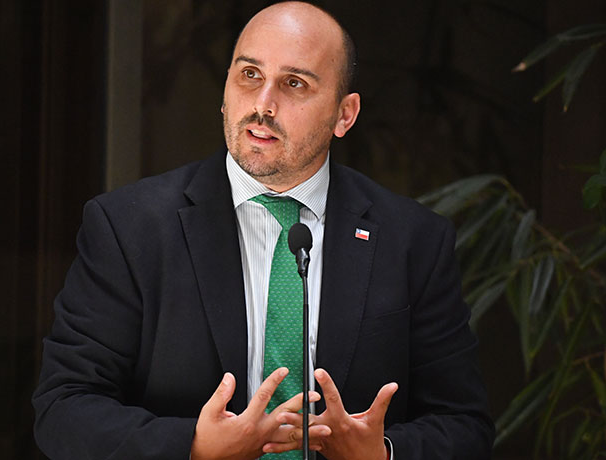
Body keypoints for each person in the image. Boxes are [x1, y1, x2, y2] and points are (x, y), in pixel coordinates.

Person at [32, 2, 494, 459]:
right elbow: (64, 408)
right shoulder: (129, 227)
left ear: (344, 115)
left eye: (294, 84)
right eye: (249, 75)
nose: (262, 105)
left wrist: (382, 453)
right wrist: (194, 448)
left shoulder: (413, 240)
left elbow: (464, 425)